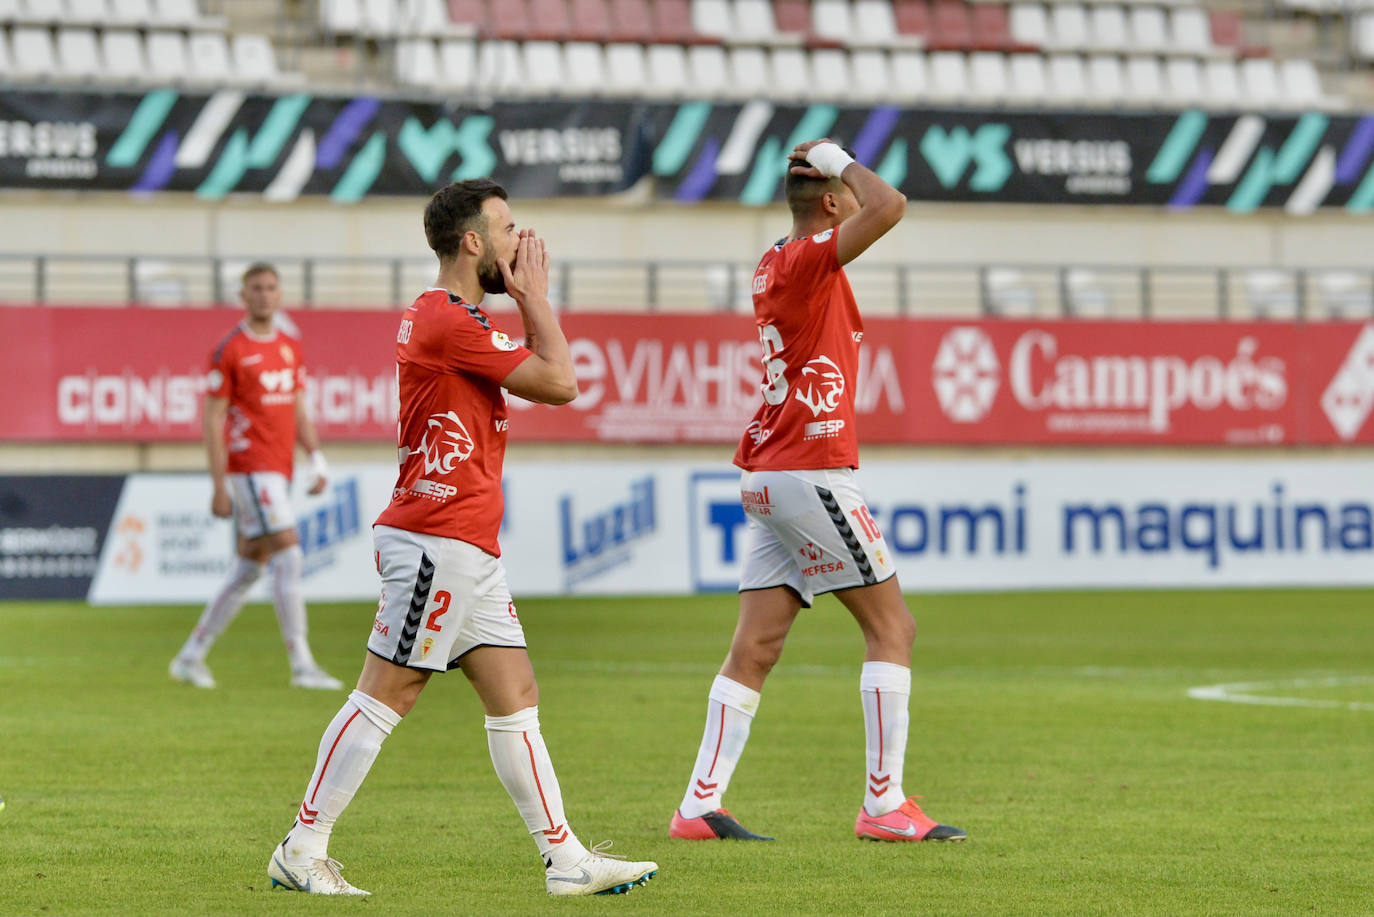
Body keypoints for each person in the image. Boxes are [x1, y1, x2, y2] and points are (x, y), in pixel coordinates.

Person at [265, 179, 658, 898]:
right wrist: (536, 294)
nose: (520, 242)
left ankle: (565, 857)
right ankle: (303, 844)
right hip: (434, 537)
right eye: (507, 229)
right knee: (389, 691)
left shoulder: (450, 318)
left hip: (466, 544)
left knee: (515, 694)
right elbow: (562, 381)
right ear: (472, 241)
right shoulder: (448, 319)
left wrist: (526, 299)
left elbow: (544, 374)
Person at [669, 140, 967, 844]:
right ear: (833, 204)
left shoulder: (777, 258)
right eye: (845, 195)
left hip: (770, 472)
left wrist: (824, 175)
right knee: (893, 627)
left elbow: (855, 214)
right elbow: (890, 205)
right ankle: (884, 803)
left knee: (758, 645)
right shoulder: (809, 258)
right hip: (810, 467)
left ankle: (698, 805)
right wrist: (844, 157)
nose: (858, 200)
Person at [169, 263, 343, 692]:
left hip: (280, 470)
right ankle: (302, 664)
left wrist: (315, 458)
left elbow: (299, 407)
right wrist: (218, 484)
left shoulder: (289, 346)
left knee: (248, 568)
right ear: (243, 296)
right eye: (256, 289)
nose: (264, 295)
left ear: (280, 295)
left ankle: (190, 656)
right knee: (290, 556)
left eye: (271, 288)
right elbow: (213, 421)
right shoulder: (230, 349)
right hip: (250, 470)